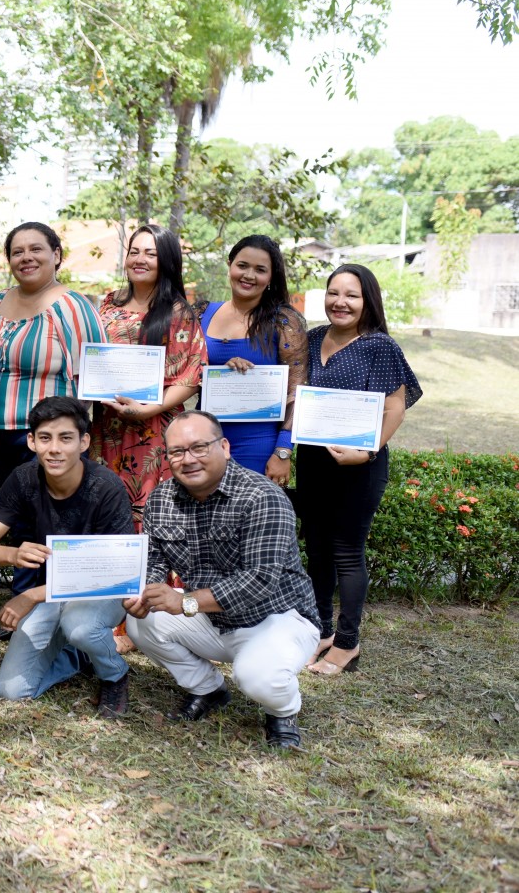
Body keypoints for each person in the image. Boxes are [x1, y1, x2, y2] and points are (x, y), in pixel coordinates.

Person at [123, 411, 320, 749]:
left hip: (276, 618)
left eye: (199, 447)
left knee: (258, 678)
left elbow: (259, 581)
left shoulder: (263, 498)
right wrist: (145, 593)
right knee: (142, 621)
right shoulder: (161, 499)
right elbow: (154, 561)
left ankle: (282, 711)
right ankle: (208, 690)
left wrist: (184, 601)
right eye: (177, 452)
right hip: (211, 618)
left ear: (225, 447)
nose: (188, 459)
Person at [0, 221, 107, 641]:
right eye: (17, 251)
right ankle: (24, 607)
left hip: (51, 438)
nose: (26, 258)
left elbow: (97, 370)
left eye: (37, 249)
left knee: (57, 526)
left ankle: (52, 612)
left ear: (56, 254)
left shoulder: (72, 305)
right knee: (20, 524)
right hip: (3, 430)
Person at [0, 397, 135, 713]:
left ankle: (114, 675)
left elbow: (119, 570)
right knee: (12, 691)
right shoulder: (23, 478)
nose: (54, 448)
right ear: (32, 441)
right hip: (54, 593)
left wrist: (31, 595)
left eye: (66, 438)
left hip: (100, 590)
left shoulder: (106, 486)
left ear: (84, 441)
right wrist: (13, 554)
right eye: (45, 438)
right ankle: (78, 655)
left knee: (81, 627)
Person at [299, 264, 422, 676]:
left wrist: (366, 453)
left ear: (367, 299)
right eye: (333, 293)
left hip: (360, 465)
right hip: (315, 461)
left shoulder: (380, 346)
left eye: (351, 295)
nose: (340, 302)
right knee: (316, 549)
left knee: (346, 553)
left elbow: (395, 407)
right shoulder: (312, 338)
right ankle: (320, 631)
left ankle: (348, 644)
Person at [93, 224, 207, 529]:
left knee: (153, 516)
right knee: (107, 512)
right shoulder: (109, 303)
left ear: (166, 261)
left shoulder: (178, 311)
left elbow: (190, 376)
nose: (139, 259)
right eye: (134, 252)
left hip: (154, 430)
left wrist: (147, 409)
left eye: (150, 254)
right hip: (107, 425)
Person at [197, 235, 307, 483]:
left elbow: (297, 389)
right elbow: (184, 373)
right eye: (242, 265)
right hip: (204, 441)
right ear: (230, 264)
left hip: (259, 444)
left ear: (270, 277)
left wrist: (283, 450)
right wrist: (217, 375)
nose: (249, 275)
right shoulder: (201, 313)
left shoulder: (283, 321)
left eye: (260, 270)